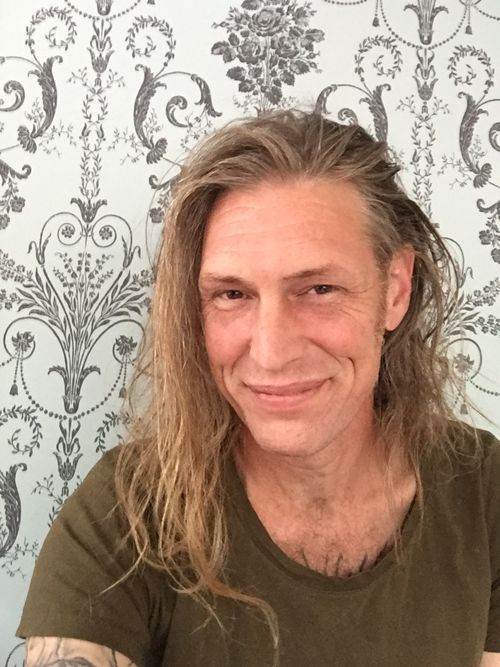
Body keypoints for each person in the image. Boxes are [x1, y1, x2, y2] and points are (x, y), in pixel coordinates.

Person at [17, 110, 500, 667]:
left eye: (319, 289)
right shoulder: (126, 514)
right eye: (232, 295)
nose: (270, 353)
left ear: (395, 290)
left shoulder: (483, 494)